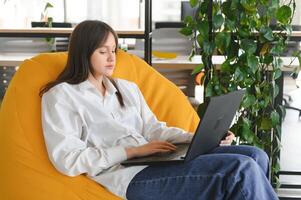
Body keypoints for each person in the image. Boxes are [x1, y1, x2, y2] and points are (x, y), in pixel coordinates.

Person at [40, 20, 278, 200]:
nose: (112, 58)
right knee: (240, 169)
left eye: (114, 50)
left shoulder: (126, 88)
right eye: (103, 51)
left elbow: (154, 129)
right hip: (128, 175)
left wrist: (196, 138)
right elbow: (68, 160)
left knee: (256, 156)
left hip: (157, 160)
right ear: (84, 52)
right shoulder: (62, 97)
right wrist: (131, 151)